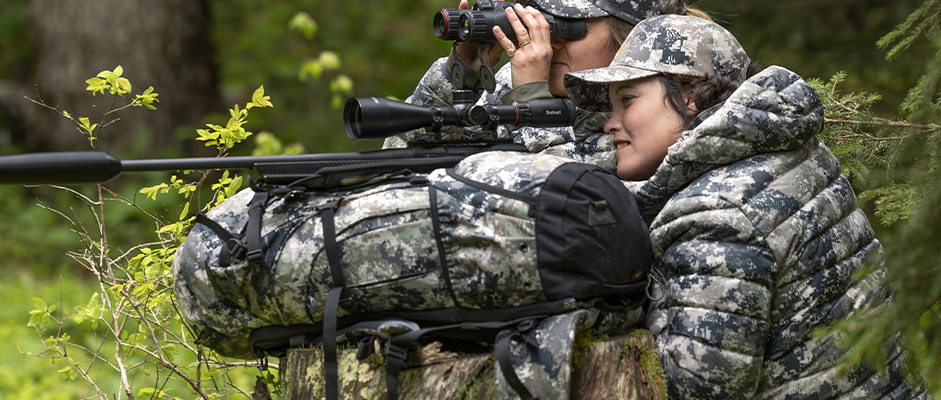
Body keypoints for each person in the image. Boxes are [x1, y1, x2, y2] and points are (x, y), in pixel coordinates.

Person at [562, 14, 933, 399]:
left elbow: (696, 388)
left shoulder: (717, 212)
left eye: (627, 100)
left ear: (689, 98)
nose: (610, 123)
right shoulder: (783, 154)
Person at [385, 0, 697, 171]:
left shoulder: (659, 120)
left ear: (632, 38)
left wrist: (532, 102)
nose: (551, 41)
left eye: (569, 28)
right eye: (544, 21)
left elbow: (565, 207)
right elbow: (400, 162)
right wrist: (459, 79)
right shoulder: (511, 84)